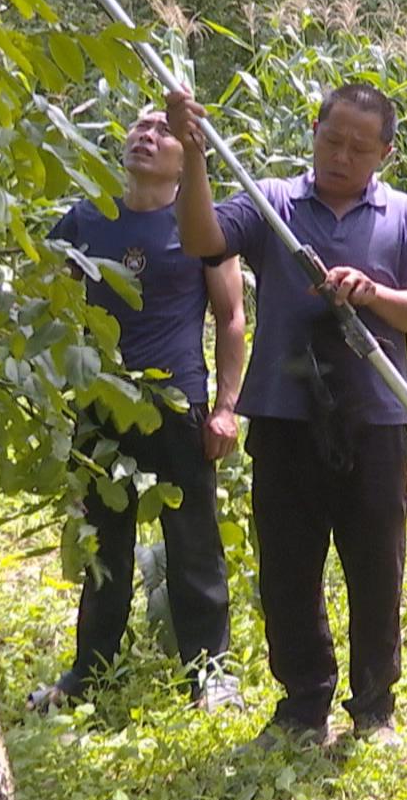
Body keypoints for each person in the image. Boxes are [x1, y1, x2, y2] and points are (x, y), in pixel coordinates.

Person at [166, 80, 407, 749]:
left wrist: (372, 292)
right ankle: (302, 707)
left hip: (375, 420)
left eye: (358, 147)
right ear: (313, 130)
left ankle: (375, 709)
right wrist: (193, 153)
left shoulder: (403, 216)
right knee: (288, 571)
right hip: (285, 417)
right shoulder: (271, 202)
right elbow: (203, 238)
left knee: (376, 568)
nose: (341, 156)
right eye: (331, 139)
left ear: (385, 153)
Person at [30, 109, 247, 713]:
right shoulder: (87, 217)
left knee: (194, 545)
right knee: (104, 548)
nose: (146, 136)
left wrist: (226, 409)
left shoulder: (201, 224)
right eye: (138, 127)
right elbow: (38, 294)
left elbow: (231, 318)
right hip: (100, 408)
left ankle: (209, 673)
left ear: (186, 155)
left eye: (163, 131)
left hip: (177, 405)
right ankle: (88, 675)